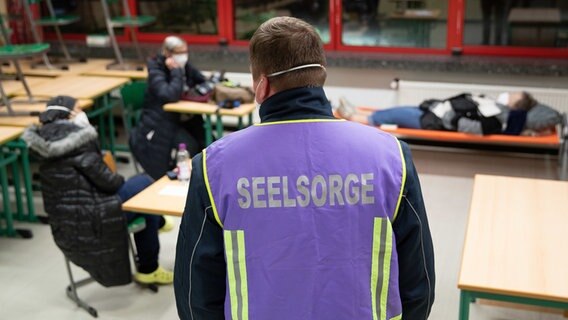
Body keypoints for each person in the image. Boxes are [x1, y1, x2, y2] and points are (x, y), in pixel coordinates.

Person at [174, 17, 435, 320]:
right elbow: (420, 282)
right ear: (321, 75)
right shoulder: (391, 157)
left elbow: (196, 290)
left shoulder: (214, 166)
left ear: (262, 86)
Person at [22, 96, 174, 286]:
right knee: (144, 184)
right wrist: (118, 177)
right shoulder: (78, 140)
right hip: (94, 218)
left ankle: (154, 244)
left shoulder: (41, 142)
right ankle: (149, 266)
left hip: (65, 222)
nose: (82, 113)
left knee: (143, 202)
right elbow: (110, 183)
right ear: (68, 114)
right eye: (78, 109)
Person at [130, 36, 208, 180]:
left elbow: (202, 80)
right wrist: (176, 72)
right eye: (179, 53)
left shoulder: (185, 66)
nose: (183, 56)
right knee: (189, 146)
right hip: (159, 123)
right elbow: (170, 94)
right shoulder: (155, 69)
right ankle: (179, 176)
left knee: (206, 142)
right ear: (167, 53)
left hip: (180, 120)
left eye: (185, 52)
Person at [338, 91, 538, 135]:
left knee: (395, 116)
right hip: (434, 111)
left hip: (435, 120)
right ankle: (358, 113)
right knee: (396, 111)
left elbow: (468, 127)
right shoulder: (494, 106)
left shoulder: (496, 121)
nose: (508, 94)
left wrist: (447, 115)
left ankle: (354, 117)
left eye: (513, 95)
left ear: (516, 105)